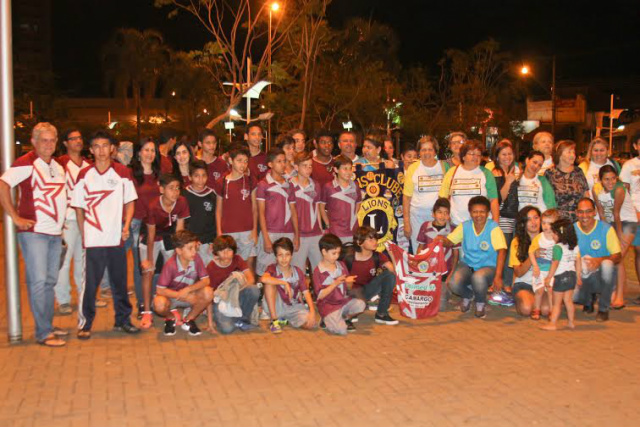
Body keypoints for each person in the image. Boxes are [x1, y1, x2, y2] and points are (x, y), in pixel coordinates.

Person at [0, 122, 68, 346]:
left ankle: (46, 326)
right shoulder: (26, 163)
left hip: (55, 234)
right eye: (44, 140)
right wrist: (15, 217)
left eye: (52, 140)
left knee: (50, 281)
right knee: (38, 282)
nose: (48, 145)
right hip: (35, 233)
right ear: (34, 142)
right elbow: (3, 185)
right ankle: (42, 332)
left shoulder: (57, 165)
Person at [72, 130, 140, 340]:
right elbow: (79, 207)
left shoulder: (122, 172)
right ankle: (86, 323)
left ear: (112, 148)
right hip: (93, 240)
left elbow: (130, 202)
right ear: (91, 150)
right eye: (97, 146)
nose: (101, 151)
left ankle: (123, 320)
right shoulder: (84, 175)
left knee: (119, 282)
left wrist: (126, 225)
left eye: (105, 146)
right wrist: (84, 231)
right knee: (90, 284)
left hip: (116, 238)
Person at [438, 196, 507, 319]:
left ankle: (480, 303)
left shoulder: (494, 228)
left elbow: (502, 251)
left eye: (482, 211)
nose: (478, 215)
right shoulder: (464, 226)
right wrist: (441, 239)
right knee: (453, 283)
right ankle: (469, 295)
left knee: (478, 277)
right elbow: (450, 242)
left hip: (488, 267)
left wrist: (498, 276)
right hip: (468, 265)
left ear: (488, 213)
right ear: (470, 213)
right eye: (475, 211)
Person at [139, 173, 190, 328]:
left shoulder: (181, 202)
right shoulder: (153, 205)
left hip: (169, 237)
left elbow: (179, 231)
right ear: (161, 189)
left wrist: (179, 253)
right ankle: (147, 311)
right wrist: (149, 260)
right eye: (171, 188)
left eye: (177, 188)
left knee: (172, 271)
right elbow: (151, 235)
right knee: (148, 272)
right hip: (150, 238)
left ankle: (171, 306)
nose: (175, 192)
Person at [54, 128, 91, 316]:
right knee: (64, 261)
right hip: (67, 219)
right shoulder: (59, 163)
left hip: (86, 219)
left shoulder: (88, 165)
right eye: (73, 138)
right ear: (65, 143)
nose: (78, 141)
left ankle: (85, 296)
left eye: (80, 137)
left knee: (83, 261)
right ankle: (63, 300)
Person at [154, 230, 213, 336]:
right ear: (179, 251)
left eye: (195, 247)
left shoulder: (196, 259)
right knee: (158, 304)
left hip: (189, 294)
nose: (194, 251)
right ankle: (171, 318)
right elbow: (160, 290)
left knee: (208, 292)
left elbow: (206, 280)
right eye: (190, 248)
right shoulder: (170, 265)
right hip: (171, 297)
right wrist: (180, 295)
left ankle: (189, 319)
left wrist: (189, 290)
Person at [592, 165, 635, 309]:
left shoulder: (619, 190)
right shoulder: (596, 189)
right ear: (600, 180)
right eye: (606, 179)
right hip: (610, 222)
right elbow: (602, 212)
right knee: (612, 258)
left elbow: (617, 214)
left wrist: (619, 235)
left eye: (613, 178)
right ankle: (614, 292)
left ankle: (620, 297)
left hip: (627, 222)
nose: (610, 182)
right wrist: (604, 234)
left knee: (618, 258)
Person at [573, 198, 621, 322]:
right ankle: (588, 299)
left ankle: (603, 309)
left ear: (594, 212)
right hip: (582, 274)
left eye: (588, 211)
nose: (584, 216)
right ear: (576, 213)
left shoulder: (606, 229)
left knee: (607, 265)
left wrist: (599, 260)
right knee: (574, 296)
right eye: (581, 212)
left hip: (601, 274)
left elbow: (617, 255)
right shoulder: (571, 230)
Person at [129, 137, 161, 316]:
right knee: (140, 266)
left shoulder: (158, 174)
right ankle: (142, 303)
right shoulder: (131, 174)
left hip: (156, 224)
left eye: (152, 150)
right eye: (146, 150)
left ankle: (154, 299)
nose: (149, 154)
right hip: (137, 223)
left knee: (156, 264)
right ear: (139, 152)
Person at [256, 147, 299, 276]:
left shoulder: (289, 185)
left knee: (286, 271)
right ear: (270, 164)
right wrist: (265, 238)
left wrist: (297, 236)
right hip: (270, 232)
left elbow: (293, 211)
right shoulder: (263, 184)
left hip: (288, 233)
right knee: (265, 272)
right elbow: (261, 213)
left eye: (284, 161)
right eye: (279, 161)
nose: (283, 164)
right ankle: (263, 296)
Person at [343, 226, 398, 325]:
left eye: (376, 238)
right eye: (370, 239)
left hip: (366, 290)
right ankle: (349, 311)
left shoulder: (378, 256)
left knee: (389, 276)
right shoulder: (348, 256)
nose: (375, 242)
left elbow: (393, 272)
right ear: (359, 242)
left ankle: (381, 314)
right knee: (356, 298)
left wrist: (392, 255)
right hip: (348, 291)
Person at [261, 237, 317, 333]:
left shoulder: (297, 271)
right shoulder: (272, 268)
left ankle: (284, 320)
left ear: (291, 255)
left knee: (311, 324)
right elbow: (263, 279)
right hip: (277, 307)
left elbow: (306, 292)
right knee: (269, 284)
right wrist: (283, 282)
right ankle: (274, 321)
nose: (284, 259)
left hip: (293, 307)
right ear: (275, 256)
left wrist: (312, 311)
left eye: (287, 255)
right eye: (280, 255)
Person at [403, 136, 450, 252]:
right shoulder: (413, 168)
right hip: (417, 218)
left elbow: (449, 194)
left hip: (440, 218)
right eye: (423, 150)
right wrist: (406, 223)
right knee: (419, 252)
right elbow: (406, 197)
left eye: (430, 149)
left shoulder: (444, 167)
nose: (427, 153)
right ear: (419, 152)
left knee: (438, 251)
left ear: (435, 151)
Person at [312, 233, 365, 335]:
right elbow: (320, 295)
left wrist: (348, 282)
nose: (337, 256)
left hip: (343, 301)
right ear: (324, 252)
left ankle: (343, 318)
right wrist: (335, 283)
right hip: (328, 306)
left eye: (338, 253)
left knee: (361, 305)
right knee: (342, 330)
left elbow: (348, 288)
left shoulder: (341, 265)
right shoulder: (318, 271)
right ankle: (326, 318)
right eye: (334, 253)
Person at [206, 235, 260, 334]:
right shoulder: (211, 267)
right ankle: (225, 317)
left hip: (235, 296)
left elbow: (251, 278)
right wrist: (209, 323)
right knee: (227, 329)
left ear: (234, 251)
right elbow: (208, 297)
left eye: (229, 250)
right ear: (216, 252)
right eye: (222, 250)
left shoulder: (237, 259)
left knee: (254, 290)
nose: (226, 254)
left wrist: (235, 291)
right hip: (220, 300)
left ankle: (242, 318)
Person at [439, 140, 499, 226]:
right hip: (456, 224)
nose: (476, 157)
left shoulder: (487, 173)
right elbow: (443, 198)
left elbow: (493, 200)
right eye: (472, 154)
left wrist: (495, 224)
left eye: (478, 154)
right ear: (463, 156)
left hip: (481, 225)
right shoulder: (452, 172)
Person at [214, 145, 258, 262]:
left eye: (245, 161)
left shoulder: (250, 180)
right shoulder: (221, 182)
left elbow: (254, 207)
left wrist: (254, 231)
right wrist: (219, 232)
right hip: (228, 231)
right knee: (229, 265)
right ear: (230, 161)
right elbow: (218, 210)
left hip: (247, 231)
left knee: (248, 265)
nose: (243, 165)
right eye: (239, 161)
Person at [415, 198, 458, 310]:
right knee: (420, 300)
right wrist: (418, 266)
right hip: (428, 270)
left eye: (446, 213)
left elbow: (455, 253)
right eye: (439, 212)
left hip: (444, 271)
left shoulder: (453, 230)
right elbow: (420, 248)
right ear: (433, 214)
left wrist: (451, 274)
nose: (442, 216)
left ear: (449, 215)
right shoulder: (425, 226)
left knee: (440, 307)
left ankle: (446, 291)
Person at [541, 219, 581, 331]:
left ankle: (552, 324)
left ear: (559, 234)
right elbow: (578, 261)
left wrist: (549, 277)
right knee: (568, 301)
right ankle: (571, 322)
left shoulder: (557, 248)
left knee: (556, 303)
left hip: (561, 277)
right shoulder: (574, 246)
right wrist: (578, 276)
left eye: (554, 233)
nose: (552, 235)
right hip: (571, 276)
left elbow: (555, 263)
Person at [510, 206, 550, 317]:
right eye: (528, 219)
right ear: (523, 223)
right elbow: (518, 272)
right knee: (526, 309)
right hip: (524, 283)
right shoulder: (517, 242)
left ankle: (537, 301)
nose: (533, 222)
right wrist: (533, 256)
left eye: (536, 218)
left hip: (544, 283)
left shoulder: (550, 238)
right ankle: (525, 300)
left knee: (546, 310)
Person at [617, 131, 640, 305]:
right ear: (635, 146)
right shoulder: (629, 166)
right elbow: (623, 192)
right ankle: (619, 292)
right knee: (634, 252)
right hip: (634, 214)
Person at [290, 151, 323, 272]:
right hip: (299, 235)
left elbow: (318, 209)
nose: (308, 169)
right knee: (298, 271)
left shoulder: (316, 185)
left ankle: (319, 291)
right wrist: (294, 235)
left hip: (315, 235)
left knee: (320, 271)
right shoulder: (289, 185)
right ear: (296, 167)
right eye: (305, 166)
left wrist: (321, 230)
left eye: (310, 166)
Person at [319, 155, 362, 244]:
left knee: (351, 257)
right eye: (345, 169)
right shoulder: (328, 187)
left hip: (353, 232)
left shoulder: (355, 185)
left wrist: (353, 217)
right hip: (335, 233)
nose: (348, 172)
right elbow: (321, 207)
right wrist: (328, 224)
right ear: (336, 169)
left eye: (350, 168)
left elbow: (358, 203)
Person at [544, 140, 589, 222]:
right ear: (559, 154)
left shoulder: (578, 171)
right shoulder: (550, 173)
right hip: (558, 220)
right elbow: (546, 198)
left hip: (579, 219)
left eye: (573, 152)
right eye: (569, 152)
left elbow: (586, 195)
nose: (573, 155)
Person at [528, 209, 560, 320]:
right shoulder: (539, 238)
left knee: (551, 291)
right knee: (539, 290)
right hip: (540, 270)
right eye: (544, 223)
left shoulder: (558, 238)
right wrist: (535, 266)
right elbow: (531, 251)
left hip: (553, 270)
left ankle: (552, 311)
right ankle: (536, 309)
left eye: (549, 223)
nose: (546, 226)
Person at [184, 160, 217, 265]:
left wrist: (213, 241)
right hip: (189, 242)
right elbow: (183, 222)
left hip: (207, 243)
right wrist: (191, 240)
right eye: (196, 176)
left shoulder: (212, 195)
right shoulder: (184, 195)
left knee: (208, 273)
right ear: (190, 177)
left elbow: (215, 221)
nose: (200, 180)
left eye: (204, 176)